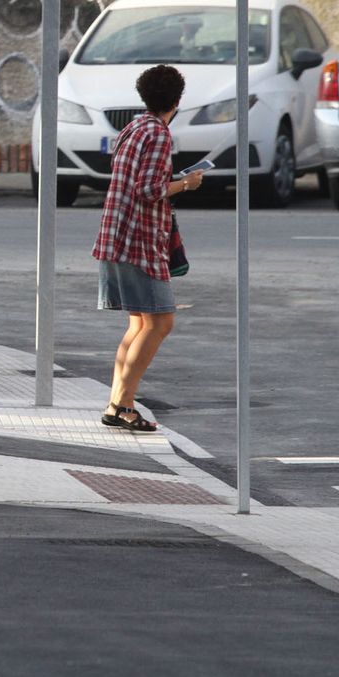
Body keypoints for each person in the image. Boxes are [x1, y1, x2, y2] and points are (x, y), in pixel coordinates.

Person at [92, 65, 204, 433]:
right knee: (161, 321)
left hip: (116, 235)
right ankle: (123, 405)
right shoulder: (158, 134)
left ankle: (116, 403)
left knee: (139, 322)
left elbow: (136, 180)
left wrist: (171, 180)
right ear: (177, 100)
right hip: (137, 239)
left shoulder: (135, 128)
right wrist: (186, 184)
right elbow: (149, 189)